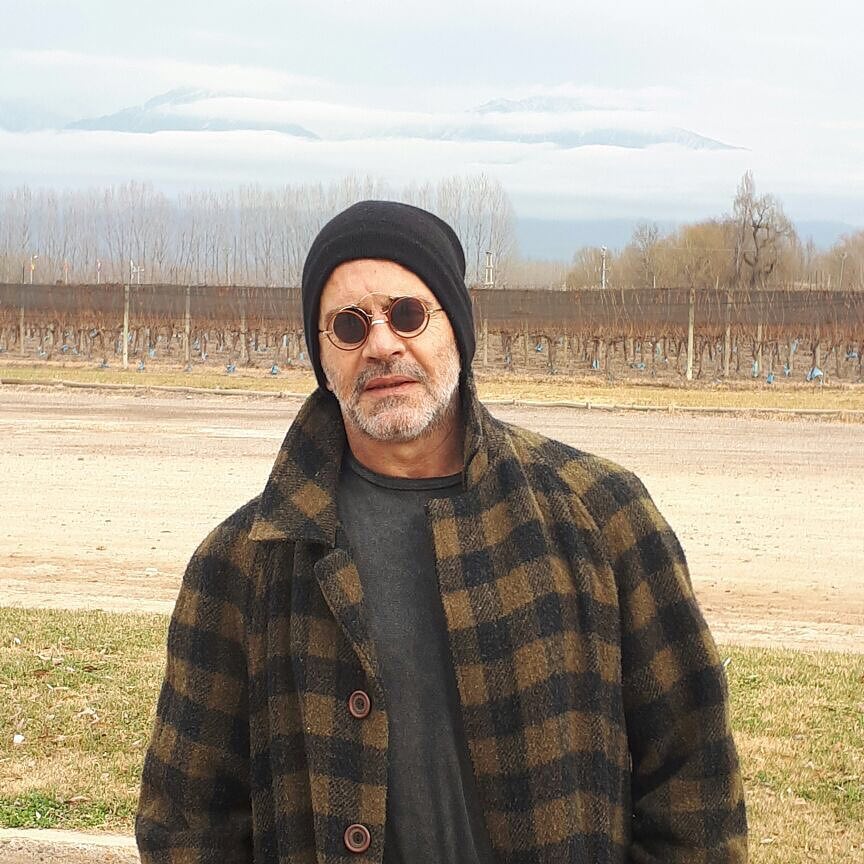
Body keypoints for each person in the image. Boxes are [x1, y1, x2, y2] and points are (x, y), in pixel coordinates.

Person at [136, 201, 747, 863]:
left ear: (457, 326)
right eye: (349, 325)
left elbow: (694, 784)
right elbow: (187, 825)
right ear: (322, 357)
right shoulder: (242, 563)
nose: (381, 345)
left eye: (407, 314)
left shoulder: (603, 517)